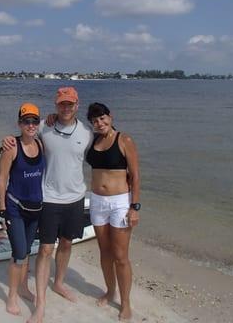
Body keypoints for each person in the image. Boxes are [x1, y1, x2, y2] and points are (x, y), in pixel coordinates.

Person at [2, 87, 94, 323]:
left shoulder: (87, 132)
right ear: (56, 105)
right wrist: (6, 142)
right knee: (44, 249)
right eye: (62, 104)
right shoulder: (44, 126)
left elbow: (103, 152)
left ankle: (60, 283)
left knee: (66, 243)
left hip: (75, 198)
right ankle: (40, 306)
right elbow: (23, 137)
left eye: (70, 104)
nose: (66, 108)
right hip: (49, 199)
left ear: (77, 104)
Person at [85, 102, 140, 321]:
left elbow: (135, 176)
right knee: (105, 252)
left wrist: (134, 207)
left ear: (110, 116)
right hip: (97, 202)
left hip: (120, 203)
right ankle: (110, 291)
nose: (100, 123)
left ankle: (125, 303)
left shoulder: (124, 140)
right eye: (95, 120)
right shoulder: (94, 140)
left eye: (102, 118)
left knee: (120, 256)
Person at [0, 103, 45, 316]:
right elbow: (1, 179)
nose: (31, 125)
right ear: (19, 123)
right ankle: (12, 296)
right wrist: (2, 209)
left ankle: (24, 288)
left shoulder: (42, 145)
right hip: (15, 207)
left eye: (35, 120)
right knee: (18, 254)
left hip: (35, 208)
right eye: (27, 121)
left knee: (27, 252)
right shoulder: (11, 147)